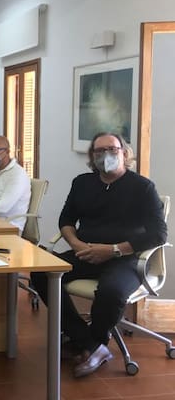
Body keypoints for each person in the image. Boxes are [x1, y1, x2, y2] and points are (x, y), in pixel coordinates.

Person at [30, 133, 167, 378]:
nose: (106, 155)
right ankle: (90, 343)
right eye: (99, 151)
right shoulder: (82, 183)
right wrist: (76, 244)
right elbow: (66, 220)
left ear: (124, 152)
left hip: (125, 258)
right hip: (85, 251)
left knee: (111, 292)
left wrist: (114, 250)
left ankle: (92, 343)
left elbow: (159, 234)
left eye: (112, 149)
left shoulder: (143, 187)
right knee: (42, 273)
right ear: (92, 157)